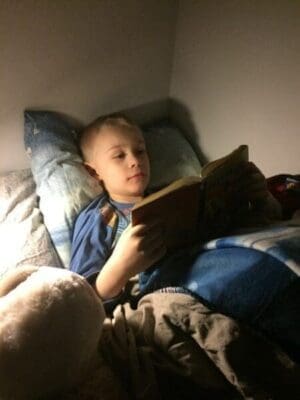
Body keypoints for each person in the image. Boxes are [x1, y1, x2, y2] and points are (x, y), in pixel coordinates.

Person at [70, 114, 297, 349]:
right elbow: (83, 298)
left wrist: (260, 196)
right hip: (168, 283)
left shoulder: (175, 193)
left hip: (211, 254)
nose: (135, 161)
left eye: (140, 151)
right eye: (119, 155)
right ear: (94, 173)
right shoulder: (100, 218)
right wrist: (121, 265)